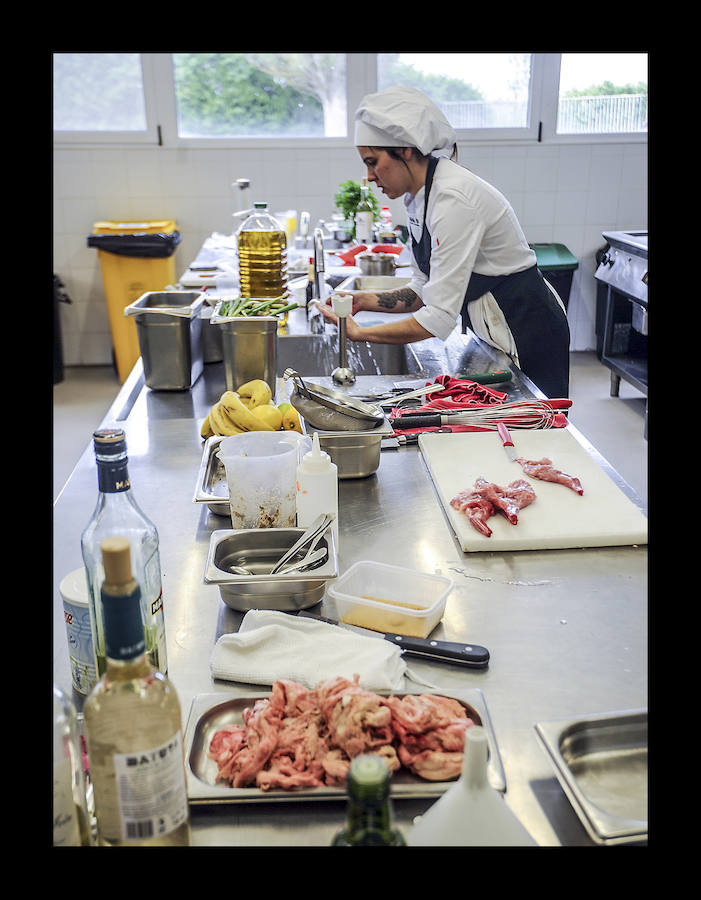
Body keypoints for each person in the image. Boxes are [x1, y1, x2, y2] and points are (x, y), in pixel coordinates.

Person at [317, 86, 571, 399]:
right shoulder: (419, 198)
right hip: (494, 325)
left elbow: (437, 318)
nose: (369, 176)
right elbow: (424, 288)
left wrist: (362, 334)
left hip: (527, 329)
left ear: (405, 150)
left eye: (372, 162)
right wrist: (363, 300)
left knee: (540, 427)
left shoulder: (453, 200)